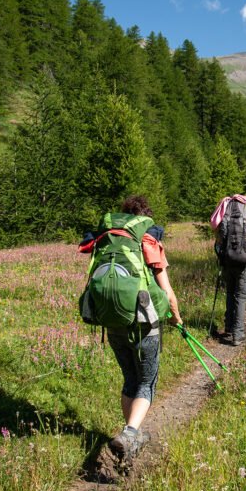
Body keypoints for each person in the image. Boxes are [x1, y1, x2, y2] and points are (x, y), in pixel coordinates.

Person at [86, 195, 182, 460]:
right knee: (146, 381)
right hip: (144, 323)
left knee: (130, 379)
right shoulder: (149, 240)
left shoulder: (109, 239)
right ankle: (130, 433)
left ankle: (130, 437)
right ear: (145, 217)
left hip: (113, 321)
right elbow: (167, 291)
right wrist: (177, 318)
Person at [210, 194, 246, 346]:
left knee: (230, 293)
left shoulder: (225, 207)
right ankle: (238, 334)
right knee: (241, 296)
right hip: (244, 259)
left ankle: (229, 327)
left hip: (227, 258)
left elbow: (217, 233)